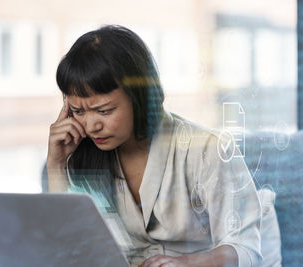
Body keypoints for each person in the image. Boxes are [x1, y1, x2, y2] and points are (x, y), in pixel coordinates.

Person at [47, 25, 262, 267]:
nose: (91, 125)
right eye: (78, 111)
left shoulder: (208, 150)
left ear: (140, 96)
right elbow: (67, 248)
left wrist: (188, 263)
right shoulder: (84, 153)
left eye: (104, 110)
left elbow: (246, 249)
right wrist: (56, 165)